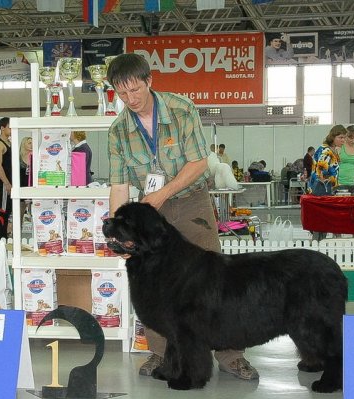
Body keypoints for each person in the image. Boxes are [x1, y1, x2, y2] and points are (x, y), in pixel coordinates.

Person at [106, 53, 258, 381]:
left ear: (149, 81)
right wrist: (114, 231)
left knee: (214, 281)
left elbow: (199, 163)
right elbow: (119, 185)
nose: (130, 99)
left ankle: (231, 356)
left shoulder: (181, 109)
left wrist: (162, 194)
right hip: (149, 216)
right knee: (150, 284)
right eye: (122, 93)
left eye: (135, 90)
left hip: (190, 202)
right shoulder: (118, 131)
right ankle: (161, 355)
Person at [307, 125, 346, 196]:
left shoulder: (334, 150)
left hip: (328, 190)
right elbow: (320, 174)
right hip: (321, 192)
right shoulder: (326, 151)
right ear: (333, 137)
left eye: (344, 137)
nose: (343, 140)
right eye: (340, 137)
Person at [0, 117, 12, 239]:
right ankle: (2, 236)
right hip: (5, 182)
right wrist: (6, 183)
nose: (11, 129)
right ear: (2, 128)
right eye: (10, 127)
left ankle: (6, 235)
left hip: (10, 180)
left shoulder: (9, 143)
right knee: (4, 209)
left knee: (9, 209)